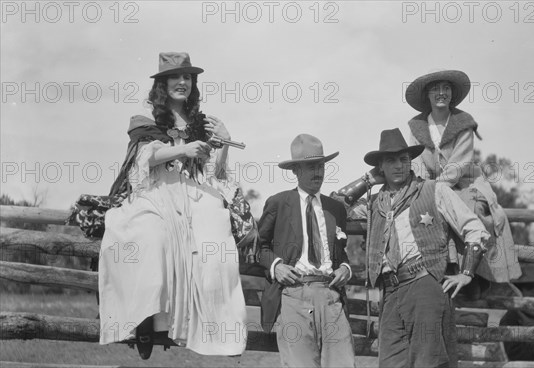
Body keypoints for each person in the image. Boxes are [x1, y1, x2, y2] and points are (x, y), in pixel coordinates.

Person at [98, 52, 247, 359]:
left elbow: (215, 175)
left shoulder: (203, 123)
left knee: (215, 241)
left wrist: (223, 144)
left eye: (188, 77)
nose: (183, 83)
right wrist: (183, 149)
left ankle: (218, 331)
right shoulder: (147, 121)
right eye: (176, 77)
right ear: (162, 85)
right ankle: (147, 322)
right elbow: (143, 160)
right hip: (158, 191)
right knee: (152, 237)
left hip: (194, 193)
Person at [337, 128, 490, 368]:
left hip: (424, 284)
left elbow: (475, 229)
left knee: (428, 361)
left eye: (403, 159)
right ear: (380, 167)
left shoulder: (433, 190)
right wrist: (367, 181)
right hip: (390, 292)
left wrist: (466, 272)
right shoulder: (375, 203)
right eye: (391, 160)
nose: (399, 165)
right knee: (390, 362)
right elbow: (335, 207)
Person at [405, 70, 522, 293]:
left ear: (452, 94)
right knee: (420, 211)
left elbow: (460, 163)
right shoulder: (417, 126)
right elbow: (416, 161)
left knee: (474, 207)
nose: (441, 93)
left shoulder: (463, 123)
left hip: (465, 179)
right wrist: (426, 188)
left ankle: (475, 273)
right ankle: (437, 268)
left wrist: (437, 189)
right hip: (429, 183)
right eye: (436, 89)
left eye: (446, 89)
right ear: (428, 95)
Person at [257, 134, 356, 368]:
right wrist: (275, 266)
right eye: (311, 167)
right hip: (293, 295)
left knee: (344, 364)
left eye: (321, 166)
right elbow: (258, 247)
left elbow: (340, 253)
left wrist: (345, 268)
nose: (318, 172)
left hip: (331, 297)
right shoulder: (279, 203)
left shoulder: (335, 208)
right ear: (296, 171)